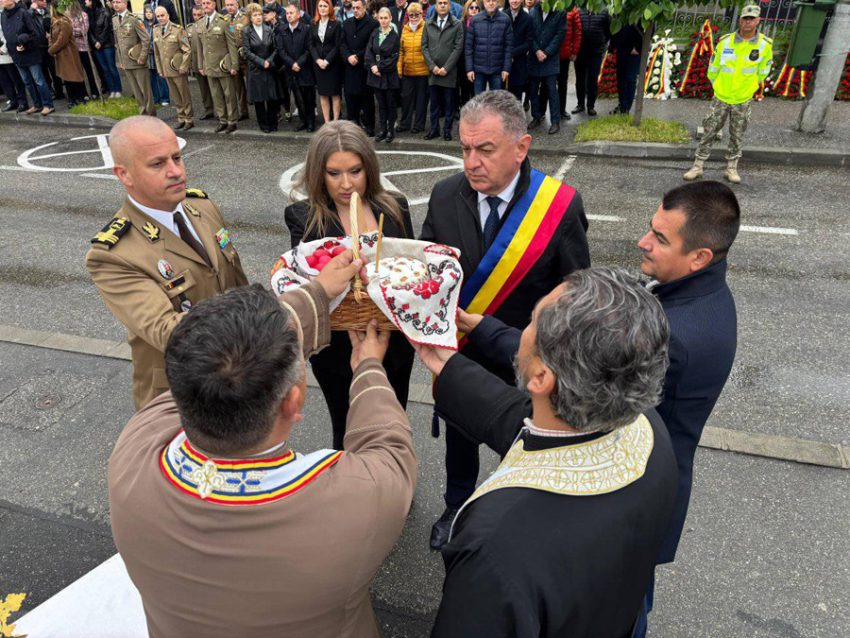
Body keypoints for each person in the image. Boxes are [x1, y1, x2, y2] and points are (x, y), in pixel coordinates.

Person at [109, 278, 418, 636]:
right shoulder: (355, 502)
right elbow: (390, 448)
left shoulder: (133, 450)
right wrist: (368, 369)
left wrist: (317, 292)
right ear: (294, 401)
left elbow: (212, 368)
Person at [412, 267, 677, 637]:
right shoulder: (645, 425)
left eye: (532, 321)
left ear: (541, 378)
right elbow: (518, 420)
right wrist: (445, 363)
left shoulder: (493, 547)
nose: (523, 330)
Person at [420, 90, 590, 550]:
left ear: (521, 146)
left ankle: (513, 518)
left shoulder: (559, 207)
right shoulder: (443, 195)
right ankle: (456, 506)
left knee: (523, 446)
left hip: (524, 356)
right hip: (463, 354)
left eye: (485, 149)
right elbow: (429, 270)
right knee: (459, 439)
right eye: (465, 149)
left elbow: (575, 295)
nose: (471, 162)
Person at [632, 180, 740, 637]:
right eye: (650, 229)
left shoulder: (675, 335)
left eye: (660, 237)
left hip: (638, 498)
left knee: (621, 608)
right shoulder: (703, 294)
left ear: (699, 258)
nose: (643, 241)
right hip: (660, 483)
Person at [85, 116, 248, 410]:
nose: (176, 172)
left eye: (177, 158)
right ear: (125, 175)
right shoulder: (114, 253)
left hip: (240, 375)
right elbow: (167, 331)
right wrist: (266, 325)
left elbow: (237, 284)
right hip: (181, 394)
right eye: (157, 164)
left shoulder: (202, 207)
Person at [283, 119, 415, 450]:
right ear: (318, 173)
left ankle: (394, 481)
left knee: (393, 415)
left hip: (393, 341)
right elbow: (304, 283)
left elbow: (412, 269)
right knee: (346, 422)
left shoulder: (394, 207)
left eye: (355, 171)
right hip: (338, 348)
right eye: (334, 173)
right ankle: (351, 490)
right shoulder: (303, 217)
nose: (346, 184)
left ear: (369, 168)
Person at [683, 4, 772, 184]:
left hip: (742, 99)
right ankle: (697, 166)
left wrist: (750, 88)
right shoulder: (725, 42)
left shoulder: (764, 45)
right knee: (709, 131)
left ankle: (731, 169)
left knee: (737, 134)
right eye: (745, 18)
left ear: (758, 20)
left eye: (751, 19)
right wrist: (718, 87)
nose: (748, 22)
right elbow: (713, 68)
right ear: (740, 20)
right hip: (721, 96)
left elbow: (764, 72)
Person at [1, 0, 54, 115]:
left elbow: (34, 33)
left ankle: (48, 105)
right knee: (27, 82)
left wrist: (25, 44)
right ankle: (37, 104)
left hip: (30, 53)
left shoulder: (23, 13)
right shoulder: (3, 15)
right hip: (16, 55)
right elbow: (6, 34)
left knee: (38, 80)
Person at [420, 0, 461, 141]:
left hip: (448, 73)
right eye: (440, 3)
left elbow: (458, 48)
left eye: (445, 3)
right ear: (435, 6)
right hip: (433, 73)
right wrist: (433, 67)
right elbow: (424, 46)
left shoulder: (457, 24)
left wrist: (446, 68)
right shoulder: (428, 23)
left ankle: (447, 130)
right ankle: (434, 129)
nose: (442, 5)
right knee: (434, 104)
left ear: (449, 6)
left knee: (449, 104)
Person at [198, 0, 239, 133]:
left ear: (214, 5)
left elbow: (231, 45)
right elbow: (201, 47)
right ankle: (222, 120)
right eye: (203, 3)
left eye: (208, 3)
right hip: (209, 65)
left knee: (228, 94)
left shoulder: (224, 21)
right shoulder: (201, 23)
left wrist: (234, 64)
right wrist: (201, 65)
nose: (205, 5)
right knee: (216, 95)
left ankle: (232, 121)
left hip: (223, 65)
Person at [277, 0, 316, 131]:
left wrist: (298, 63)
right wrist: (291, 63)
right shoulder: (282, 30)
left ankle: (311, 122)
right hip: (291, 70)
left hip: (305, 69)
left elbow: (309, 49)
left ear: (298, 15)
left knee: (308, 97)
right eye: (287, 13)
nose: (288, 15)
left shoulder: (306, 29)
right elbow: (281, 50)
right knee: (298, 98)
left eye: (291, 13)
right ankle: (303, 120)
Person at [153, 5, 193, 130]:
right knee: (175, 96)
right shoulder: (155, 30)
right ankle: (181, 117)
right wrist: (160, 70)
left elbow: (187, 50)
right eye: (158, 16)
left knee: (184, 95)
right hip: (166, 70)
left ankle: (189, 119)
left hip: (178, 70)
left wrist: (183, 66)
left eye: (162, 15)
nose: (160, 18)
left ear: (168, 16)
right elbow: (157, 53)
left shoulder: (177, 29)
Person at [526, 2, 564, 134]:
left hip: (550, 58)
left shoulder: (560, 12)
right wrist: (537, 50)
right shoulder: (532, 12)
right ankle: (536, 116)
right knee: (532, 90)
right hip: (534, 57)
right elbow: (529, 35)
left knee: (552, 91)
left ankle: (555, 121)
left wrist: (546, 52)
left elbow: (559, 36)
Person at [112, 0, 155, 115]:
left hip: (137, 61)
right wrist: (121, 61)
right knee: (136, 91)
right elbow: (117, 43)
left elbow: (146, 39)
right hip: (126, 63)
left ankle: (151, 115)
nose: (115, 4)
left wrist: (142, 57)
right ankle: (143, 114)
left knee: (145, 91)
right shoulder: (114, 19)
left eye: (118, 2)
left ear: (125, 4)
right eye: (113, 2)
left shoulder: (134, 19)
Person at [340, 0, 376, 135]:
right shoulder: (347, 23)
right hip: (349, 67)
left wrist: (358, 57)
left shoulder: (372, 23)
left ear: (365, 7)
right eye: (353, 8)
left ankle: (369, 126)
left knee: (367, 99)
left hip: (364, 68)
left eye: (358, 7)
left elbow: (370, 45)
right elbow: (342, 43)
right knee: (350, 98)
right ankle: (352, 126)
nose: (355, 10)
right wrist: (348, 56)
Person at [243, 1, 280, 132]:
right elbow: (247, 51)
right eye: (255, 15)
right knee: (259, 100)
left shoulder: (268, 29)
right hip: (256, 69)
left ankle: (273, 122)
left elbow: (276, 49)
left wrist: (268, 61)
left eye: (259, 14)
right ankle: (263, 124)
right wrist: (261, 62)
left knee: (271, 98)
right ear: (250, 17)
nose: (258, 17)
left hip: (269, 68)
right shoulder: (247, 31)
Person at [365, 7, 400, 142]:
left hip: (388, 76)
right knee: (381, 104)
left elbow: (393, 58)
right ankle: (382, 130)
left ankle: (390, 130)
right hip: (375, 76)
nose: (384, 20)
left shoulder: (395, 36)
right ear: (378, 19)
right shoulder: (374, 33)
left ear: (390, 19)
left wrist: (378, 67)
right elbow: (369, 51)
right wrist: (372, 66)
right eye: (381, 18)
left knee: (390, 104)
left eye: (386, 18)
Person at [464, 0, 510, 95]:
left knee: (496, 103)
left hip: (497, 70)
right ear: (483, 2)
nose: (491, 3)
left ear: (497, 2)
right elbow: (468, 47)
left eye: (493, 0)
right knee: (479, 103)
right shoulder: (475, 20)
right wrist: (469, 69)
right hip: (478, 70)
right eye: (488, 0)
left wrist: (506, 68)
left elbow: (508, 47)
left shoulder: (505, 20)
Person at [47, 0, 87, 108]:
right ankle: (73, 99)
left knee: (72, 77)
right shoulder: (55, 21)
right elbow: (51, 37)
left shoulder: (64, 22)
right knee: (67, 78)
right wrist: (51, 45)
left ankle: (78, 98)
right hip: (61, 55)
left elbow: (62, 40)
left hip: (68, 55)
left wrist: (51, 50)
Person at [396, 2, 427, 134]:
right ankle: (405, 124)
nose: (414, 17)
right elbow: (401, 51)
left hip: (423, 71)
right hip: (407, 70)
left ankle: (419, 125)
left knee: (421, 101)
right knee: (406, 99)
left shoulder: (427, 28)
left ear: (421, 14)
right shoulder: (405, 29)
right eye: (411, 15)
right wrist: (399, 68)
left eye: (416, 14)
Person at [571, 6, 608, 116]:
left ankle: (591, 106)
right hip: (580, 52)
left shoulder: (604, 11)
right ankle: (580, 104)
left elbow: (608, 30)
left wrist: (602, 43)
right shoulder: (578, 10)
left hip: (596, 53)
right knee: (580, 79)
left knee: (593, 79)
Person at [310, 0, 342, 123]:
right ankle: (327, 122)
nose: (322, 8)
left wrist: (327, 60)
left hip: (332, 64)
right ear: (317, 8)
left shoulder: (336, 24)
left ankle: (335, 122)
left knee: (334, 94)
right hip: (318, 64)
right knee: (323, 94)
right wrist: (318, 60)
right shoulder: (313, 23)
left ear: (330, 8)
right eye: (320, 6)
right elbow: (311, 44)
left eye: (325, 6)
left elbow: (337, 45)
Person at [29, 0, 64, 101]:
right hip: (39, 47)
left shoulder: (49, 10)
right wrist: (32, 9)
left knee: (55, 70)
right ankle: (50, 91)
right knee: (44, 71)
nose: (44, 1)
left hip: (51, 45)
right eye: (41, 0)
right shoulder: (30, 13)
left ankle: (59, 91)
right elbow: (27, 19)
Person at [87, 0, 122, 98]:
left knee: (111, 67)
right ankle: (111, 90)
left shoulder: (105, 12)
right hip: (96, 46)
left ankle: (118, 89)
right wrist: (94, 42)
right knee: (104, 69)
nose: (85, 1)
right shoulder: (88, 14)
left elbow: (107, 28)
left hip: (107, 45)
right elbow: (88, 30)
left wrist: (100, 42)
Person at [222, 0, 249, 121]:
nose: (229, 7)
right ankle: (244, 111)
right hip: (233, 59)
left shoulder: (245, 18)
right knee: (238, 86)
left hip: (246, 57)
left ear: (237, 5)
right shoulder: (224, 19)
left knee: (251, 84)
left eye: (232, 5)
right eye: (227, 5)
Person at [68, 0, 100, 100]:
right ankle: (84, 93)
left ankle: (95, 91)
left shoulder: (83, 15)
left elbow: (84, 30)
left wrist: (73, 31)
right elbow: (67, 32)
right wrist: (74, 31)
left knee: (89, 71)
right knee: (79, 72)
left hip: (85, 48)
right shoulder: (68, 17)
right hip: (74, 49)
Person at [186, 4, 214, 119]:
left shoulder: (209, 25)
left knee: (214, 89)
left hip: (209, 62)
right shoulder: (189, 28)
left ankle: (220, 110)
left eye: (199, 15)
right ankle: (208, 110)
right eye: (194, 15)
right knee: (203, 90)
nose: (196, 17)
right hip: (197, 64)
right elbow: (187, 47)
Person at [608, 23, 641, 115]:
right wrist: (611, 49)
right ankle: (622, 105)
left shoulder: (639, 11)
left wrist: (638, 48)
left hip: (634, 52)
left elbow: (648, 30)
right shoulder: (620, 11)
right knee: (621, 79)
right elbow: (615, 30)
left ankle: (626, 108)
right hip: (621, 50)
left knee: (630, 79)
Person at [503, 0, 530, 105]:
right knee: (502, 100)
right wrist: (507, 54)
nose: (514, 1)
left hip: (519, 64)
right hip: (503, 64)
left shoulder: (527, 19)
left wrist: (512, 53)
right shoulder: (502, 16)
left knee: (517, 101)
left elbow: (528, 42)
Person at [555, 3, 579, 119]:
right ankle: (541, 111)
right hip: (549, 53)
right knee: (546, 84)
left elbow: (577, 32)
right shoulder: (550, 6)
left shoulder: (572, 9)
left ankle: (561, 110)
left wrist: (574, 51)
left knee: (562, 83)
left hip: (564, 54)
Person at [0, 16, 28, 112]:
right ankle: (13, 101)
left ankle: (22, 102)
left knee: (16, 79)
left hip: (7, 55)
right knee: (5, 81)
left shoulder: (2, 16)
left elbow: (7, 34)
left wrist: (3, 49)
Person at [142, 4, 169, 106]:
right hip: (148, 56)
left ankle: (165, 98)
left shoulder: (157, 25)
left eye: (150, 12)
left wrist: (153, 48)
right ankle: (156, 98)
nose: (149, 15)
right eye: (147, 13)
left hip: (157, 55)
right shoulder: (142, 25)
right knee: (151, 78)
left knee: (161, 76)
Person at [455, 0, 477, 106]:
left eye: (476, 8)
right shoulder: (460, 24)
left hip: (477, 62)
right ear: (466, 9)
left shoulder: (482, 23)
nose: (474, 10)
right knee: (464, 90)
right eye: (471, 7)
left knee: (476, 92)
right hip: (462, 62)